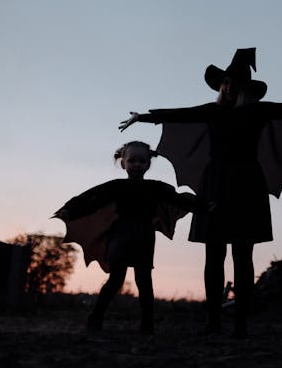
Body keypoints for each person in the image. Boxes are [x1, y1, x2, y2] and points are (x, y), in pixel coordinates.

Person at [119, 48, 282, 337]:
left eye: (232, 83)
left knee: (243, 254)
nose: (226, 87)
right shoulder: (212, 111)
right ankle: (213, 321)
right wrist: (142, 117)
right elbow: (179, 115)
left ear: (244, 88)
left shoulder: (259, 111)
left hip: (249, 184)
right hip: (214, 184)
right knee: (213, 254)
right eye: (224, 82)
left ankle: (240, 323)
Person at [54, 141, 196, 335]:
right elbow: (92, 198)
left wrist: (203, 207)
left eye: (141, 161)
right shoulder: (116, 187)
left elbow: (178, 199)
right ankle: (95, 317)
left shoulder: (157, 188)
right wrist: (70, 210)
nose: (137, 165)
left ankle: (147, 324)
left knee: (144, 280)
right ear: (123, 163)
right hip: (121, 234)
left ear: (148, 164)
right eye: (132, 161)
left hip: (144, 236)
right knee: (115, 279)